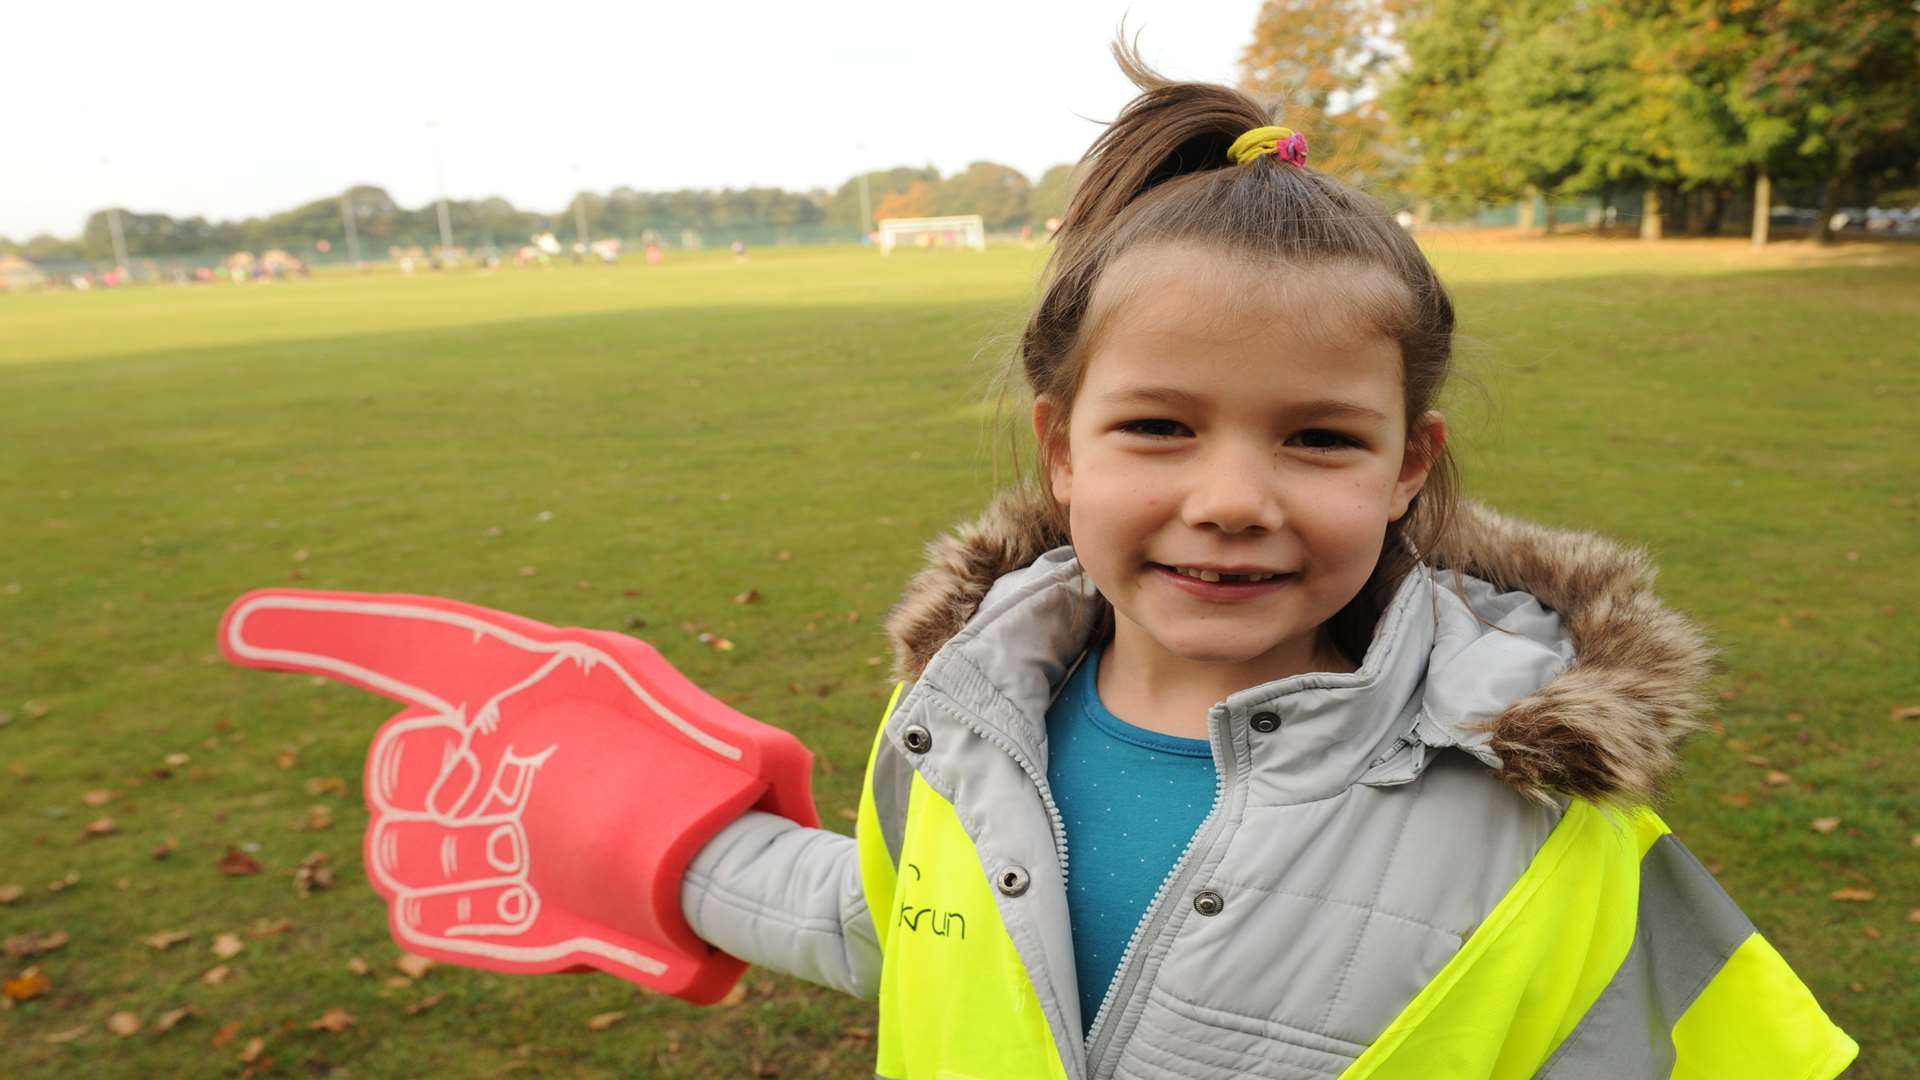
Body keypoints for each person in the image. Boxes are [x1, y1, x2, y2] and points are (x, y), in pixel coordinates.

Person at [670, 47, 1856, 1079]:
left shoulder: (1540, 818)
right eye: (1160, 427)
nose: (1232, 502)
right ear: (1060, 447)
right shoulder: (953, 722)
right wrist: (663, 851)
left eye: (1320, 438)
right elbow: (900, 930)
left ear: (1406, 466)